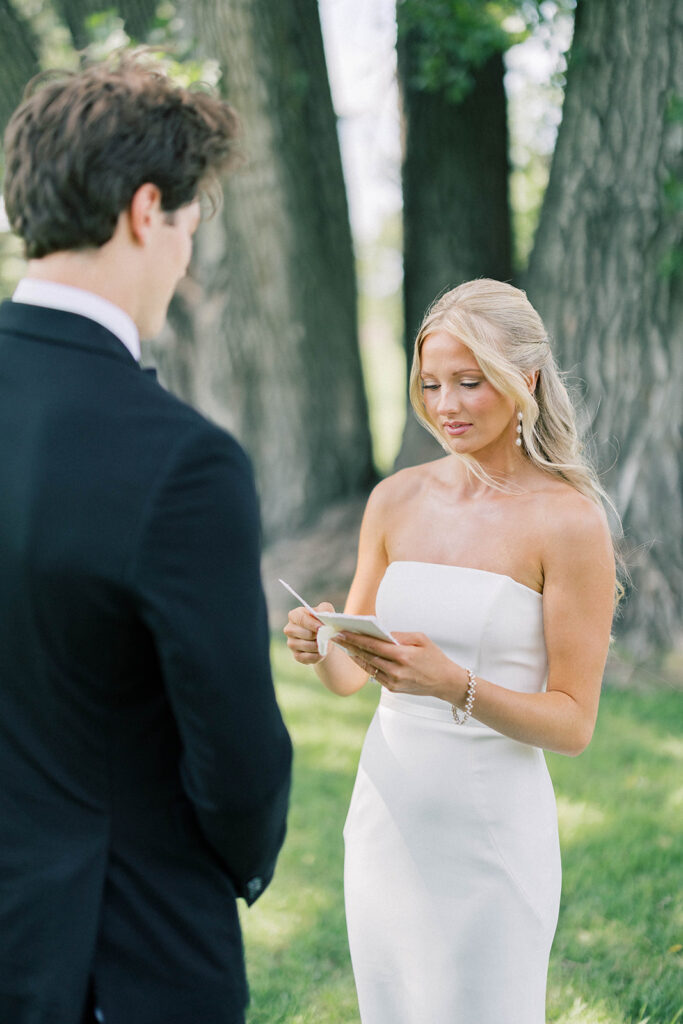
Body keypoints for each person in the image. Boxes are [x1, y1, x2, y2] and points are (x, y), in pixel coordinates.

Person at [0, 53, 292, 1024]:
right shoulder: (181, 462)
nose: (183, 262)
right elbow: (237, 759)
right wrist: (239, 857)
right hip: (116, 947)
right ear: (144, 210)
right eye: (188, 231)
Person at [285, 278, 618, 1024]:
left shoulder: (568, 522)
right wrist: (324, 637)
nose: (446, 405)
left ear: (525, 379)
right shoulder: (395, 499)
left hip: (490, 834)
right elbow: (350, 678)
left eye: (470, 382)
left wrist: (453, 685)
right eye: (431, 384)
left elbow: (573, 724)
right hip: (388, 816)